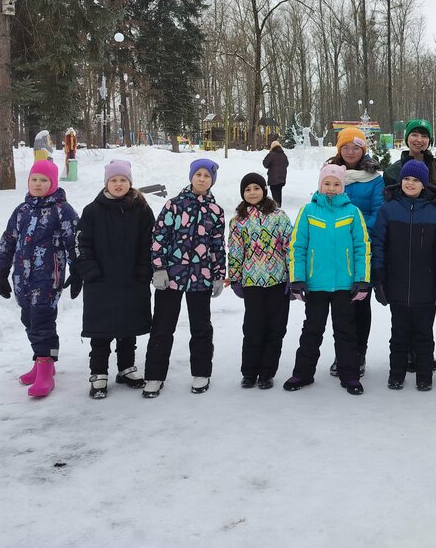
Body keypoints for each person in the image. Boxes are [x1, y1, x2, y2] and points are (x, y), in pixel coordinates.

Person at [283, 164, 371, 395]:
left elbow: (362, 248)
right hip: (316, 284)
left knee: (345, 332)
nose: (331, 188)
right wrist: (298, 278)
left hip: (344, 285)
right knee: (312, 330)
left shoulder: (352, 212)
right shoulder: (308, 211)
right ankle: (302, 373)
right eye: (327, 183)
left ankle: (350, 375)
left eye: (336, 184)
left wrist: (361, 279)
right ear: (320, 185)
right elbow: (297, 246)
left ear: (343, 187)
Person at [0, 159, 79, 398]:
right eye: (34, 179)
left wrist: (78, 270)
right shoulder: (21, 210)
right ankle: (42, 362)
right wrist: (1, 271)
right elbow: (8, 240)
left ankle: (45, 367)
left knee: (42, 319)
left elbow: (75, 242)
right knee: (28, 318)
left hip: (48, 277)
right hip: (22, 277)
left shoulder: (63, 210)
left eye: (44, 180)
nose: (38, 184)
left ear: (52, 183)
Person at [143, 158, 226, 398]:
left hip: (201, 278)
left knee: (201, 327)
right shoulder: (174, 206)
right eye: (198, 174)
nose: (202, 179)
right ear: (191, 176)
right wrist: (158, 268)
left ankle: (201, 372)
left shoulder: (216, 211)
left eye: (207, 176)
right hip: (170, 277)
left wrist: (219, 275)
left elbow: (217, 246)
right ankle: (155, 376)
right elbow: (158, 238)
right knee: (162, 327)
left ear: (212, 181)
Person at [73, 160, 154, 399]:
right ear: (106, 183)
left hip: (132, 278)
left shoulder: (141, 208)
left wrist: (144, 270)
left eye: (123, 180)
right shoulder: (92, 210)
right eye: (114, 180)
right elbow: (81, 243)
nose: (119, 184)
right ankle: (98, 372)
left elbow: (150, 241)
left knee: (128, 326)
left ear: (130, 183)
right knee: (101, 329)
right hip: (101, 280)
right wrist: (89, 270)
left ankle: (126, 367)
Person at [371, 160, 436, 391]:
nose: (410, 183)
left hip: (425, 286)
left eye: (416, 180)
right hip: (396, 283)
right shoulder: (389, 209)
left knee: (424, 335)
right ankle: (396, 374)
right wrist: (378, 278)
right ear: (401, 181)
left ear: (424, 184)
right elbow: (379, 244)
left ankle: (424, 375)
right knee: (399, 334)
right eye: (407, 179)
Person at [325, 126, 384, 377]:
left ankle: (359, 354)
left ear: (363, 150)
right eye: (346, 147)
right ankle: (343, 354)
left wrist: (352, 230)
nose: (351, 151)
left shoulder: (374, 179)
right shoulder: (329, 173)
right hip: (335, 251)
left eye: (356, 147)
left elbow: (378, 213)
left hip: (361, 251)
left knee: (360, 304)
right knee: (340, 306)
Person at [227, 172, 294, 390]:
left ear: (264, 190)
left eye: (256, 188)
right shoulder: (238, 220)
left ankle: (267, 373)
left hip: (278, 281)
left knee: (276, 328)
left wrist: (293, 277)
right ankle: (249, 372)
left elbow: (290, 247)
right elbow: (235, 251)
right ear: (242, 193)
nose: (252, 193)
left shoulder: (279, 216)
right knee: (253, 328)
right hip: (252, 281)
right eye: (247, 189)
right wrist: (236, 277)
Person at [383, 118, 436, 191]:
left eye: (424, 136)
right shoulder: (392, 172)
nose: (419, 140)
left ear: (429, 141)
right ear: (407, 139)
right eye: (414, 135)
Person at [262, 138, 289, 206]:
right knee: (279, 191)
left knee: (274, 191)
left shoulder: (271, 154)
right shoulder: (283, 155)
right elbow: (287, 164)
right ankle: (279, 205)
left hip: (273, 178)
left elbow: (265, 164)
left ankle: (276, 206)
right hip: (282, 177)